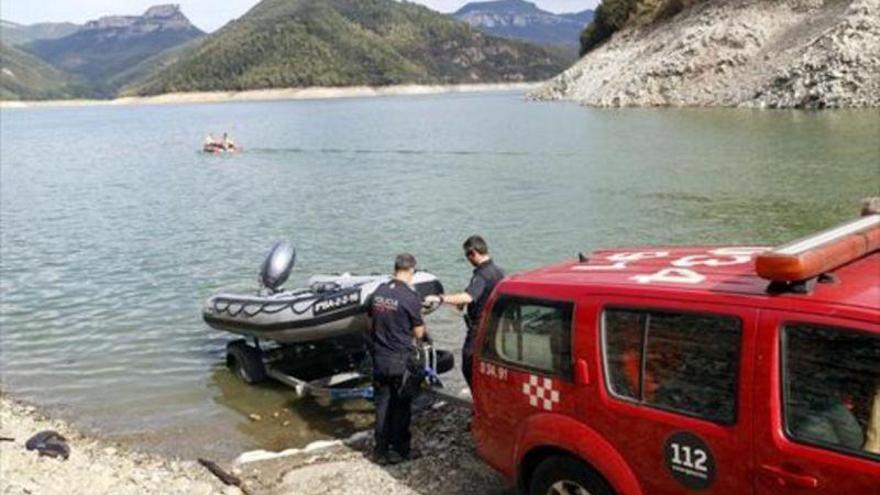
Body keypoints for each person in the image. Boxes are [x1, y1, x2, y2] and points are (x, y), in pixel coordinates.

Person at [366, 253, 426, 465]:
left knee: (382, 405)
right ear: (410, 271)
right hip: (401, 361)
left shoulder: (378, 292)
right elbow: (419, 332)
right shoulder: (410, 297)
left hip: (380, 358)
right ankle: (401, 449)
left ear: (395, 269)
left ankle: (380, 451)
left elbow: (370, 323)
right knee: (401, 407)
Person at [425, 235, 504, 390]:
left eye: (467, 255)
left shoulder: (481, 274)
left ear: (473, 253)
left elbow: (468, 296)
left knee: (468, 365)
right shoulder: (497, 271)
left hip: (478, 329)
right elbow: (485, 294)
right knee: (488, 366)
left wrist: (440, 298)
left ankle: (478, 399)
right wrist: (463, 302)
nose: (468, 260)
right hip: (493, 327)